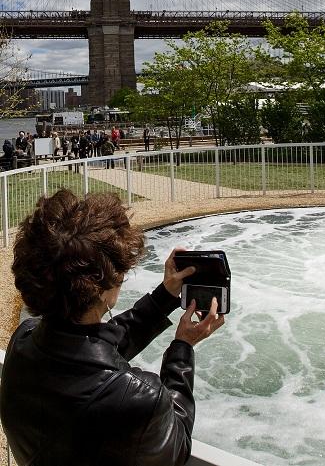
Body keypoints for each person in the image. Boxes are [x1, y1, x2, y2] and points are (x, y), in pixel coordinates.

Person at [0, 189, 226, 466]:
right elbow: (176, 445)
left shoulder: (24, 340)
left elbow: (91, 351)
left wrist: (164, 297)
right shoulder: (141, 397)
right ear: (104, 289)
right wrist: (182, 348)